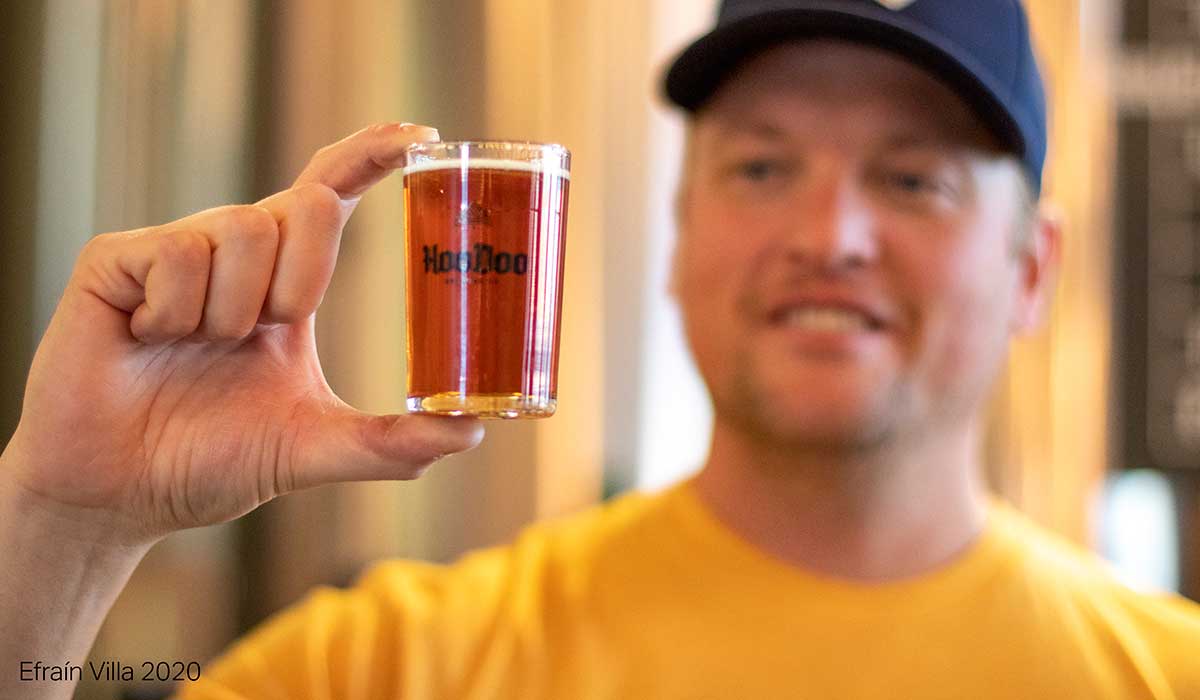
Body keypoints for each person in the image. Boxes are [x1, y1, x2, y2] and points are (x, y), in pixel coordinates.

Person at [3, 0, 1199, 697]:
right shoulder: (396, 667)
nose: (829, 235)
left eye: (913, 178)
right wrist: (65, 527)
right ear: (680, 233)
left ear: (1032, 268)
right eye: (763, 166)